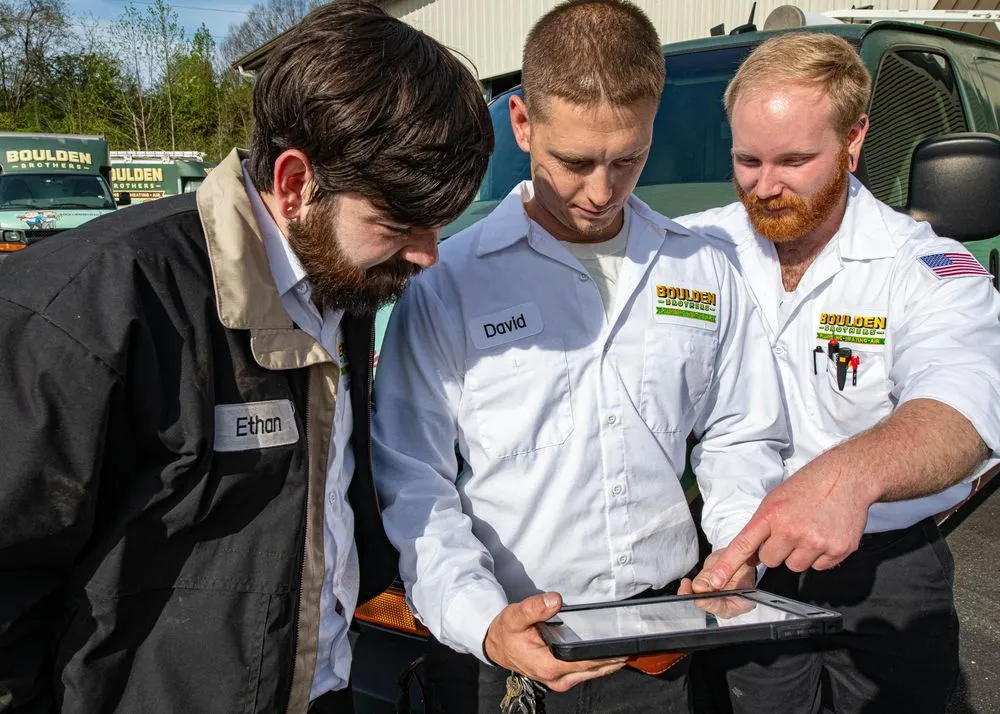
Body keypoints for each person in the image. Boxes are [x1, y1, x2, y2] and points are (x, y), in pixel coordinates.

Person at [0, 3, 493, 712]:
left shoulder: (338, 283)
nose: (427, 255)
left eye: (437, 226)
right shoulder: (97, 309)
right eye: (397, 225)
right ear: (296, 185)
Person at [371, 2, 789, 712]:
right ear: (523, 123)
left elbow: (740, 430)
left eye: (629, 159)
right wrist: (483, 621)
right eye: (575, 161)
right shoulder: (448, 280)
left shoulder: (699, 269)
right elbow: (415, 484)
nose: (601, 192)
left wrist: (736, 538)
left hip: (658, 650)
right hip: (501, 653)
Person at [678, 32, 1000, 714]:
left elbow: (964, 401)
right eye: (746, 160)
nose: (764, 187)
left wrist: (848, 477)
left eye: (794, 160)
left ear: (854, 141)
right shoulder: (693, 253)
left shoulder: (922, 268)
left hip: (884, 569)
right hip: (735, 556)